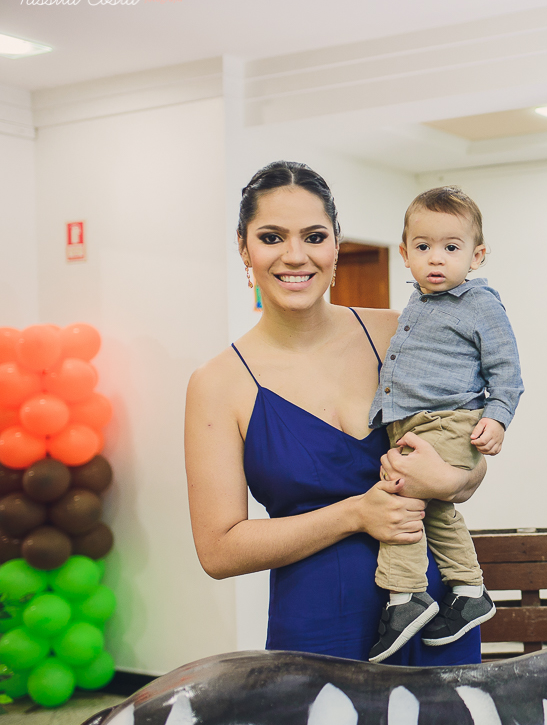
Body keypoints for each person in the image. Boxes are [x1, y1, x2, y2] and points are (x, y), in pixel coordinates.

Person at [185, 161, 485, 665]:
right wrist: (355, 515)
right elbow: (218, 550)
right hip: (317, 627)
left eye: (314, 236)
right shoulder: (217, 384)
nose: (295, 256)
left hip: (433, 614)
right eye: (272, 237)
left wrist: (451, 480)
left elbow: (467, 461)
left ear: (337, 245)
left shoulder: (400, 334)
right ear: (244, 247)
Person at [366, 186, 522, 663]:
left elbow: (507, 372)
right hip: (418, 423)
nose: (437, 259)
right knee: (435, 511)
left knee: (402, 497)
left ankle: (404, 595)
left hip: (452, 421)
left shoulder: (480, 304)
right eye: (423, 247)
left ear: (476, 256)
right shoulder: (418, 303)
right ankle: (469, 588)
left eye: (451, 248)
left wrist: (497, 420)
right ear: (405, 254)